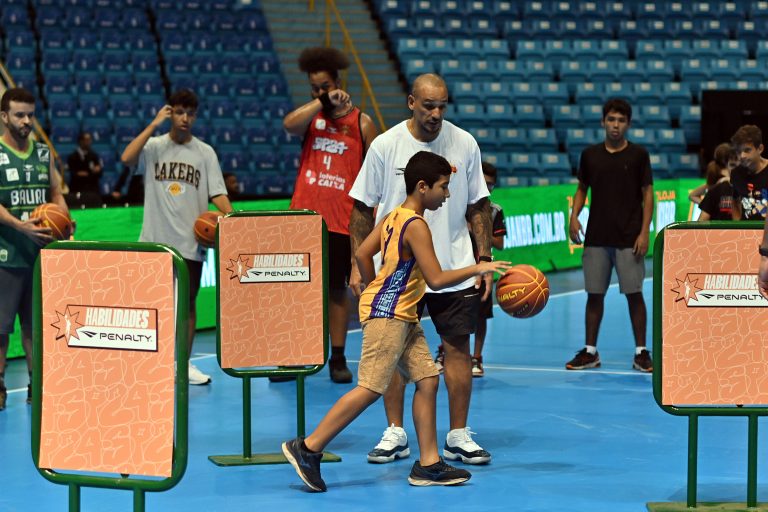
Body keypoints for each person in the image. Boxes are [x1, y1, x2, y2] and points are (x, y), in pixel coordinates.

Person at [282, 152, 510, 491]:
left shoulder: (393, 216)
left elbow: (362, 253)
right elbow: (435, 279)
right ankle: (308, 447)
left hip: (400, 313)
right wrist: (478, 266)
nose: (447, 194)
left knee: (427, 379)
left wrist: (374, 285)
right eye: (443, 187)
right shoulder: (416, 225)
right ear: (423, 187)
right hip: (389, 315)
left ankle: (428, 464)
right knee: (370, 388)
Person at [349, 73, 495, 465]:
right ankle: (395, 431)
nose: (435, 113)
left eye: (442, 106)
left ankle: (458, 434)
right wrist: (356, 265)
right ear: (411, 102)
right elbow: (362, 208)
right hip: (398, 273)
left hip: (453, 266)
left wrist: (483, 259)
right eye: (428, 105)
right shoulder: (386, 145)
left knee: (457, 349)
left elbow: (479, 205)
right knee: (395, 353)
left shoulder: (464, 143)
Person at [120, 89, 233, 386]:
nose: (185, 119)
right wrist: (153, 124)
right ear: (171, 113)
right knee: (152, 307)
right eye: (180, 112)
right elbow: (126, 158)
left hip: (190, 243)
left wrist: (234, 219)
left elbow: (217, 192)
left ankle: (182, 364)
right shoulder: (154, 147)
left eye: (191, 114)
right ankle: (152, 364)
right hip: (154, 242)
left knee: (187, 306)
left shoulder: (205, 152)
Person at [283, 47, 378, 383]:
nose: (319, 92)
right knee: (299, 291)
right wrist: (322, 101)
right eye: (314, 88)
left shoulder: (362, 122)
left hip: (341, 222)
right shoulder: (311, 118)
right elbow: (288, 124)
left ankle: (337, 358)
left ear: (338, 82)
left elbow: (375, 177)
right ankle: (295, 357)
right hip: (304, 220)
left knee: (336, 292)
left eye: (325, 86)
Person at [567, 98, 654, 373]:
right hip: (596, 237)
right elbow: (582, 188)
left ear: (628, 124)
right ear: (603, 122)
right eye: (611, 119)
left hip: (629, 238)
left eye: (621, 120)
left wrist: (644, 232)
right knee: (594, 295)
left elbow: (648, 194)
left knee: (634, 295)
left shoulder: (639, 155)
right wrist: (574, 216)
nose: (616, 125)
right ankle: (590, 351)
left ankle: (641, 352)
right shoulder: (590, 155)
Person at [0, 87, 68, 410]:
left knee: (35, 326)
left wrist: (64, 219)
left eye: (30, 115)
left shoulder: (43, 154)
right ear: (4, 117)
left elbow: (56, 193)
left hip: (40, 256)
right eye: (19, 115)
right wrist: (19, 225)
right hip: (5, 255)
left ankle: (36, 384)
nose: (27, 121)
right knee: (1, 329)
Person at [434, 162, 506, 378]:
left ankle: (477, 357)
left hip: (481, 270)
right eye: (485, 183)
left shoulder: (494, 210)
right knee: (447, 313)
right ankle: (443, 352)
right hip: (455, 268)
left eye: (492, 185)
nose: (488, 188)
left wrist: (477, 229)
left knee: (481, 315)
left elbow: (500, 243)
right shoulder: (454, 205)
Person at [729, 125, 768, 221]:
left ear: (760, 149)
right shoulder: (736, 174)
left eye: (747, 150)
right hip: (746, 230)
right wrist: (737, 224)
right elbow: (735, 200)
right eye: (739, 152)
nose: (742, 156)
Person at [698, 145, 737, 222]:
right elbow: (701, 221)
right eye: (733, 164)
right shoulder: (715, 189)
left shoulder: (744, 189)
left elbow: (692, 196)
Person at [66, 131, 103, 207]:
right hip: (78, 189)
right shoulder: (73, 157)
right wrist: (89, 173)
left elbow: (99, 172)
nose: (89, 142)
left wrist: (96, 171)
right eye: (86, 140)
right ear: (81, 141)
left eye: (90, 140)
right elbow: (74, 174)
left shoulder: (94, 156)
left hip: (92, 190)